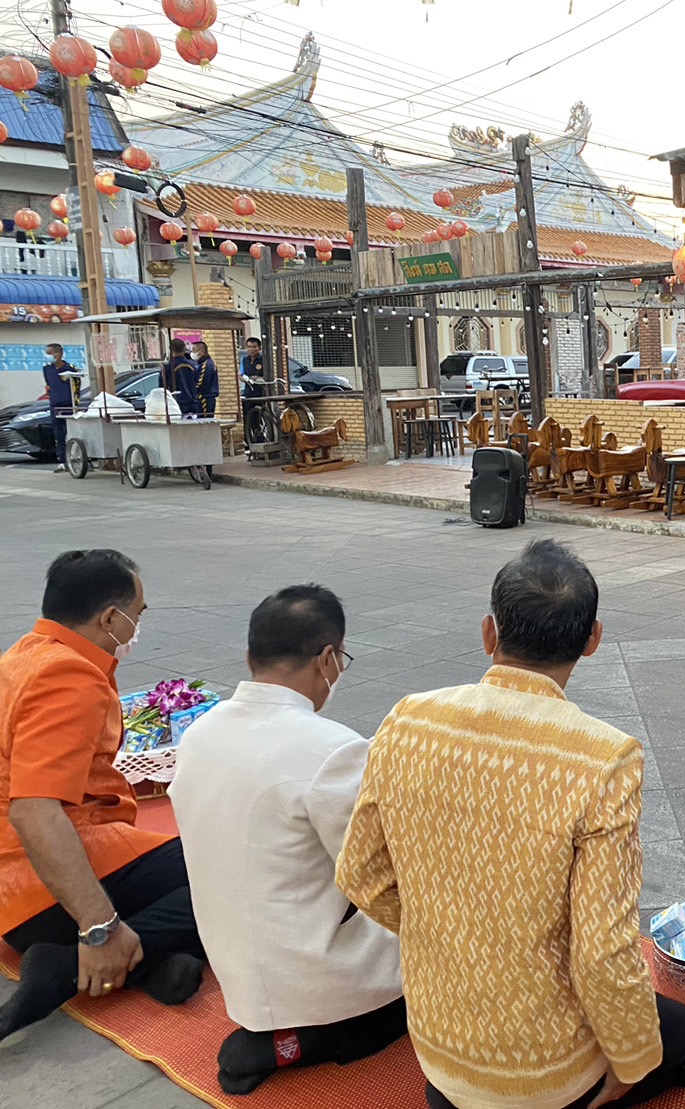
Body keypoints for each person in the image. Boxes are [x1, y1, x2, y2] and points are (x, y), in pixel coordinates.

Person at [337, 539, 685, 1109]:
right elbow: (602, 952)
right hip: (548, 1072)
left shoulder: (407, 719)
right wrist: (632, 1061)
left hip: (440, 1050)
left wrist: (451, 931)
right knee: (683, 1038)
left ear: (489, 634)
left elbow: (360, 874)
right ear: (592, 640)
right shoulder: (604, 757)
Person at [171, 585, 405, 1095]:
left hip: (236, 966)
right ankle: (299, 1043)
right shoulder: (331, 748)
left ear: (249, 655)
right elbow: (380, 871)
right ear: (327, 659)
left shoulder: (198, 734)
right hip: (316, 976)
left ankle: (283, 1035)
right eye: (340, 658)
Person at [0, 550, 205, 1043]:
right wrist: (99, 927)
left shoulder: (26, 655)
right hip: (44, 884)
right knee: (235, 877)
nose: (136, 626)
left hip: (21, 904)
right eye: (137, 614)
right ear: (110, 618)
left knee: (191, 921)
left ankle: (143, 966)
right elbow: (34, 810)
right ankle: (74, 963)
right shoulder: (68, 677)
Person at [42, 343, 80, 473]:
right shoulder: (47, 369)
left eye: (49, 353)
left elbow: (76, 388)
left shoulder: (70, 369)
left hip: (69, 405)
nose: (47, 356)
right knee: (59, 435)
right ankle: (62, 461)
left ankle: (76, 458)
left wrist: (75, 404)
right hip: (55, 405)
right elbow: (49, 384)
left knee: (72, 433)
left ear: (58, 354)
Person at [165, 338, 196, 415]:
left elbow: (163, 387)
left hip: (175, 401)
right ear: (184, 349)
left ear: (171, 350)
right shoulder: (192, 366)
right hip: (193, 401)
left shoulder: (168, 367)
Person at [190, 341, 219, 418]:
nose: (192, 353)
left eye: (194, 350)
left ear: (201, 351)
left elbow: (200, 383)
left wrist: (191, 391)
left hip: (205, 398)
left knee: (204, 421)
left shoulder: (206, 365)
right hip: (204, 398)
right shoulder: (203, 363)